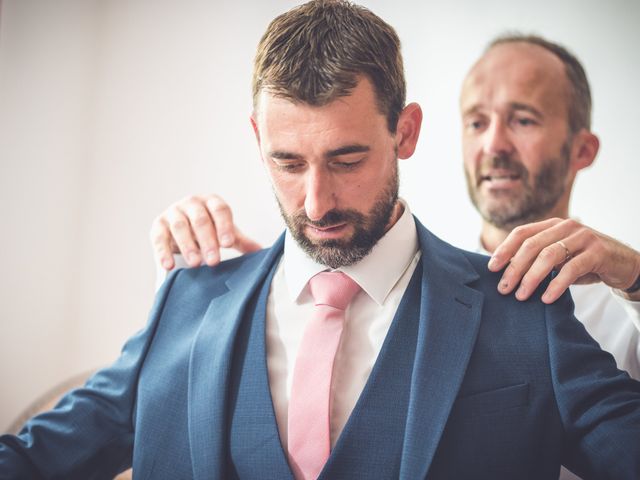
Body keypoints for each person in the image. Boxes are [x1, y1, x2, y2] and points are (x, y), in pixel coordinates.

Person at [2, 1, 640, 478]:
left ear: (406, 133)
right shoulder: (187, 304)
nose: (316, 203)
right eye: (287, 161)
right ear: (257, 140)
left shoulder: (523, 312)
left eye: (347, 159)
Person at [151, 36, 640, 388]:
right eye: (476, 121)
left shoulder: (624, 307)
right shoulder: (412, 278)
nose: (493, 144)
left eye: (523, 119)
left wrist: (636, 280)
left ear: (583, 150)